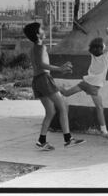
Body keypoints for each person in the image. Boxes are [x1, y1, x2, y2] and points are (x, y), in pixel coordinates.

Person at [23, 22, 85, 150]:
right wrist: (60, 68)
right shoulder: (41, 47)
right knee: (63, 107)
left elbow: (38, 65)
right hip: (44, 79)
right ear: (37, 34)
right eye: (41, 28)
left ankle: (41, 141)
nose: (43, 29)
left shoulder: (33, 48)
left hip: (37, 81)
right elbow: (41, 64)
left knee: (50, 111)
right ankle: (68, 139)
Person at [60, 27, 108, 140]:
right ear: (102, 48)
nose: (105, 46)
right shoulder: (106, 56)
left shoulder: (92, 55)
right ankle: (104, 131)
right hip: (94, 87)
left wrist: (99, 38)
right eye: (104, 45)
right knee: (100, 108)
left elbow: (95, 46)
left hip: (85, 83)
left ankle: (56, 87)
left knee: (67, 93)